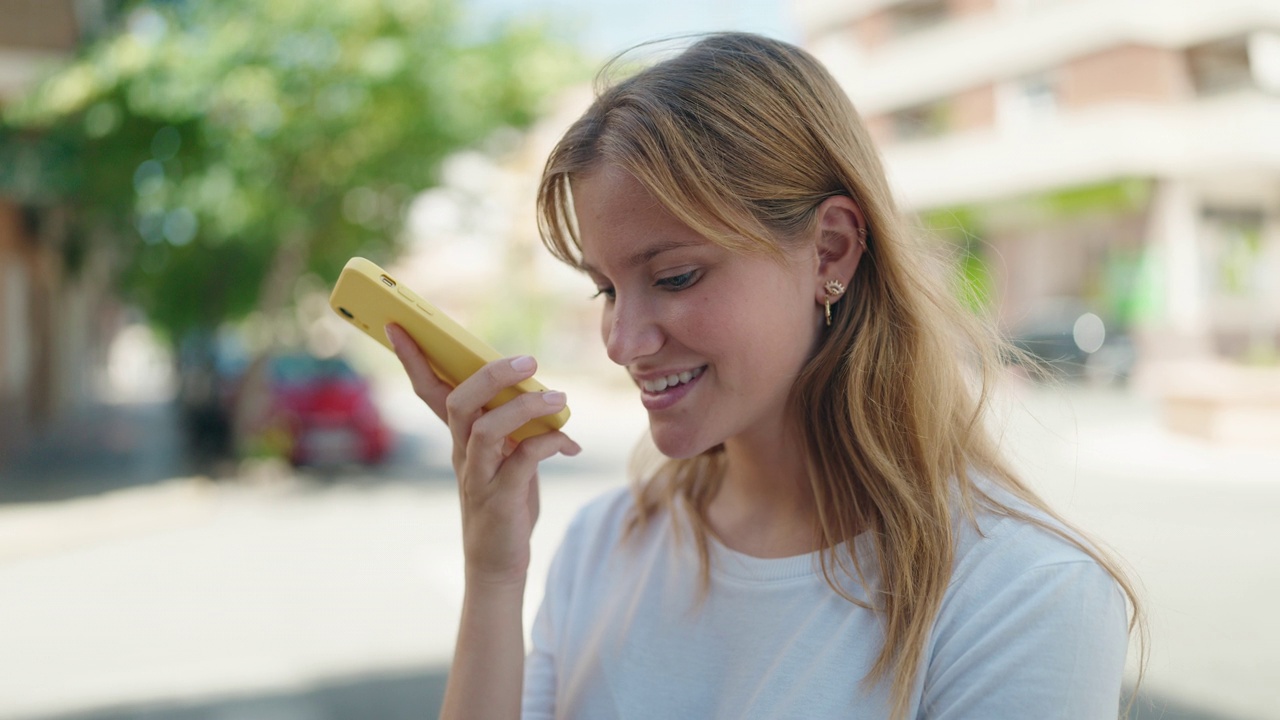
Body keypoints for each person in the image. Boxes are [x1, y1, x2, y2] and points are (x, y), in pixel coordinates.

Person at [385, 32, 1144, 720]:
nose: (622, 341)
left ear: (831, 251)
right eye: (607, 288)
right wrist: (493, 571)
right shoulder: (599, 545)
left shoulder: (1025, 597)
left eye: (676, 277)